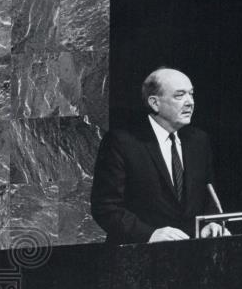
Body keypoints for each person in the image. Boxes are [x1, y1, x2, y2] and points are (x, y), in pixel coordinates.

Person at [91, 67, 227, 244]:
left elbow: (209, 195)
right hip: (139, 255)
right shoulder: (122, 142)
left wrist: (212, 222)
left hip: (192, 255)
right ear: (155, 103)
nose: (190, 102)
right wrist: (149, 234)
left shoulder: (198, 141)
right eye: (180, 95)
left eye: (191, 94)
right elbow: (106, 207)